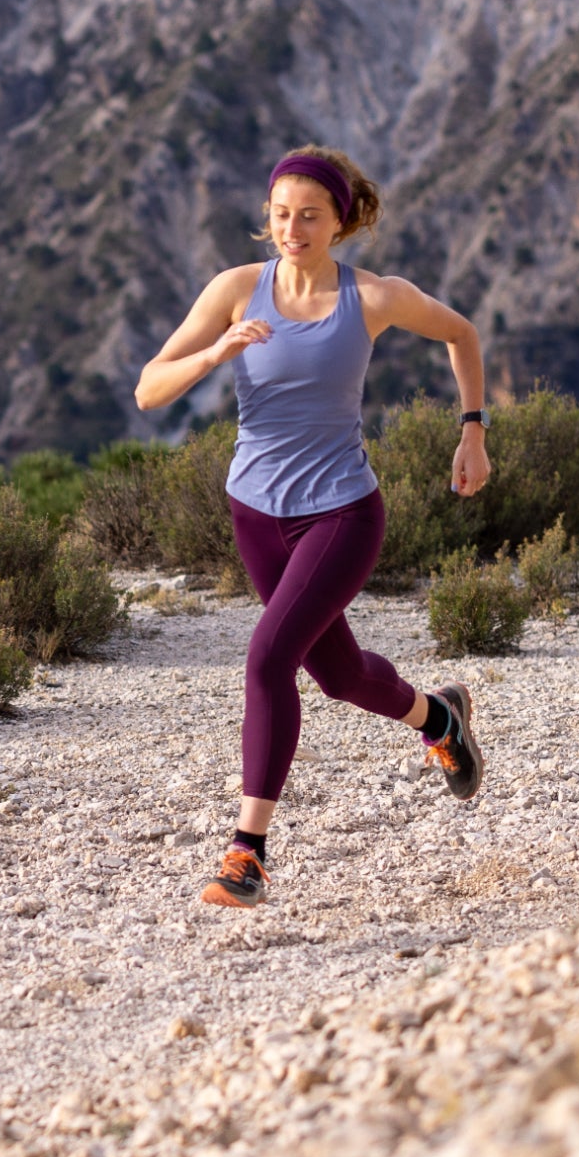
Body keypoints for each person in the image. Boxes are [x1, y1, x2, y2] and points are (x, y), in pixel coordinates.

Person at [135, 145, 492, 909]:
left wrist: (473, 430)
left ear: (339, 222)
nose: (292, 228)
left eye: (309, 216)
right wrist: (216, 352)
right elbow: (148, 391)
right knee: (335, 674)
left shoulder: (374, 297)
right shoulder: (235, 290)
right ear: (267, 221)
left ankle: (247, 853)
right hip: (255, 513)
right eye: (280, 215)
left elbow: (462, 333)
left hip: (340, 511)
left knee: (268, 657)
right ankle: (441, 717)